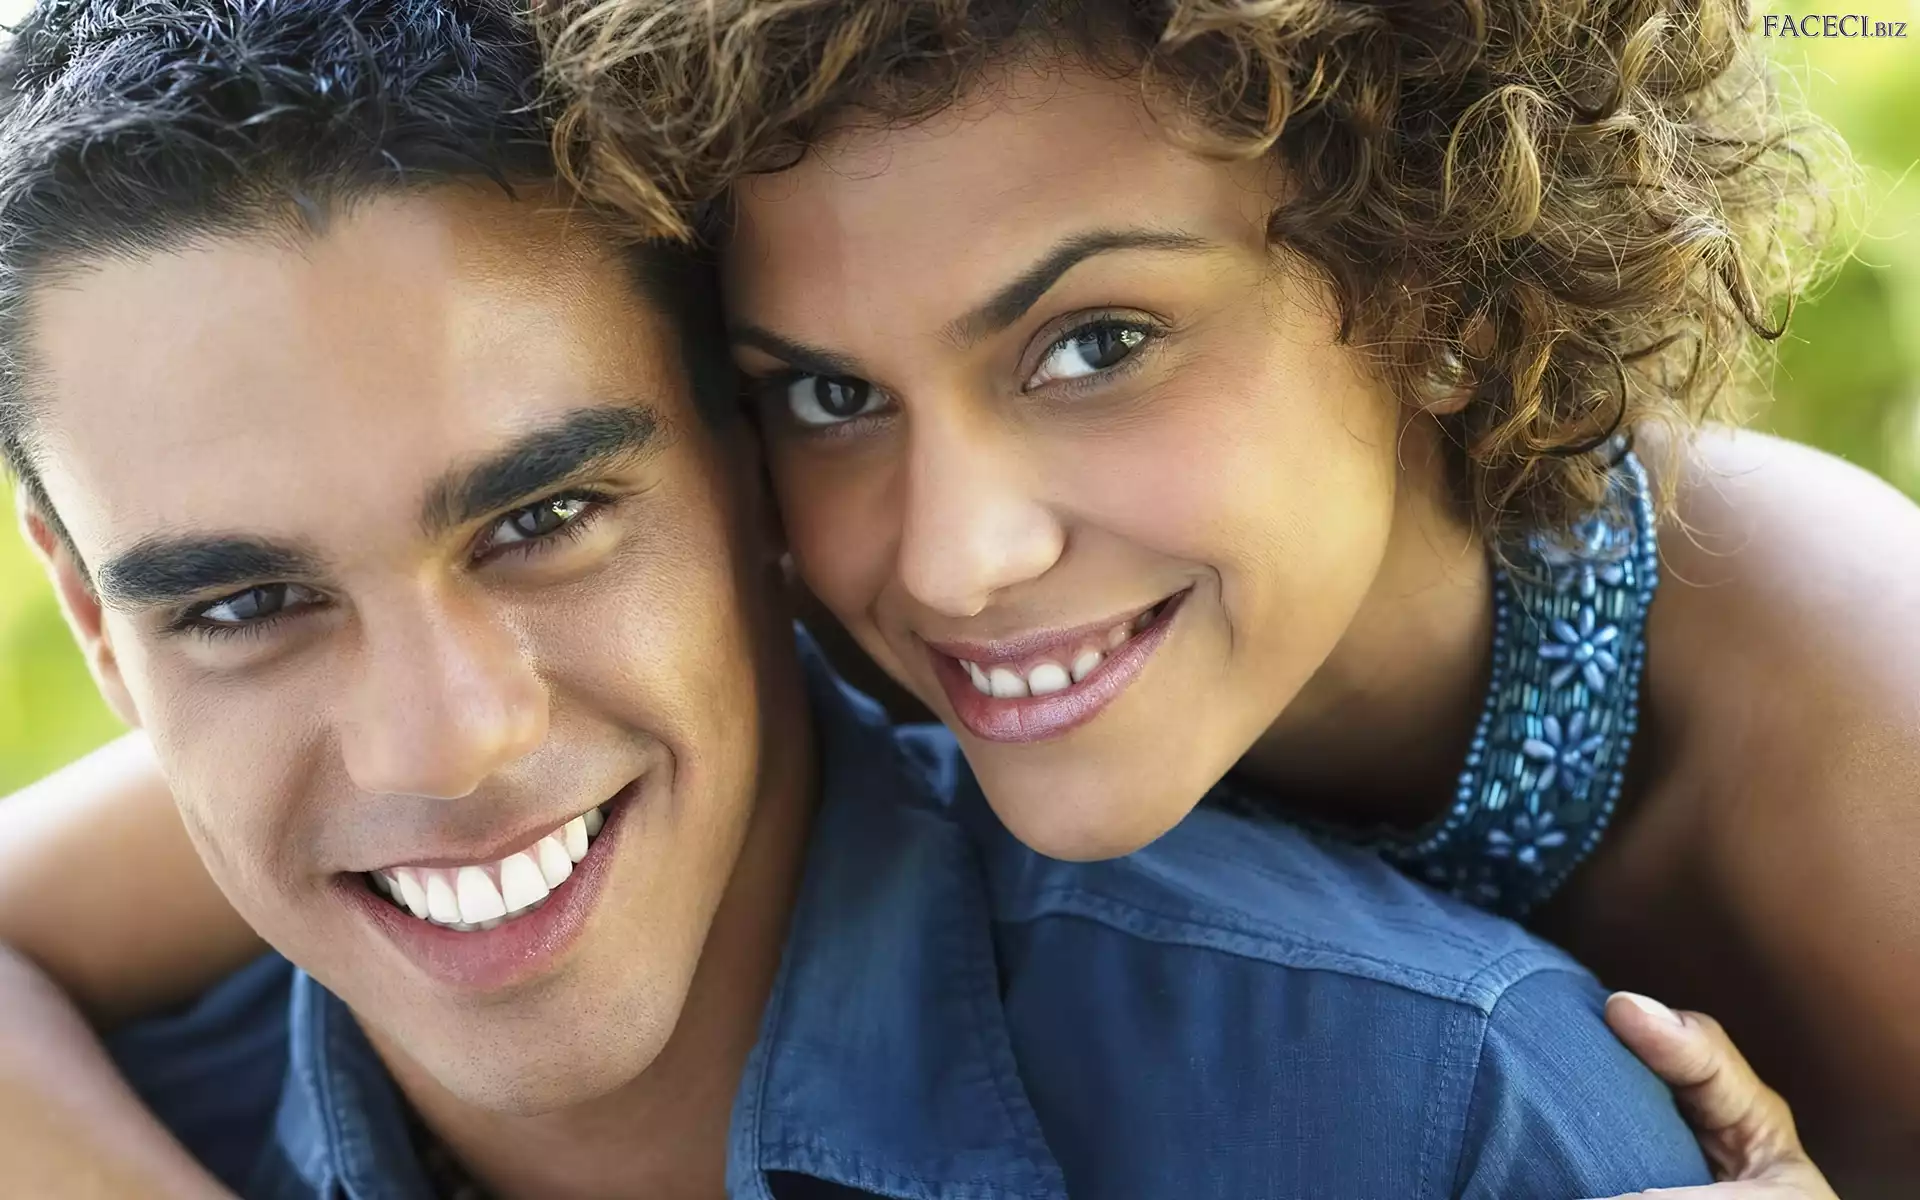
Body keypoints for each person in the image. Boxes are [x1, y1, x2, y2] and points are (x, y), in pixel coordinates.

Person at [0, 0, 1738, 1197]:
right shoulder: (102, 1113)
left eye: (545, 518)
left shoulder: (1429, 1122)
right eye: (239, 607)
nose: (445, 743)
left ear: (747, 479)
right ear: (93, 623)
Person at [526, 0, 1920, 1186]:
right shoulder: (791, 682)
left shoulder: (1866, 739)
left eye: (1097, 345)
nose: (950, 560)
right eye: (832, 397)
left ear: (1443, 290)